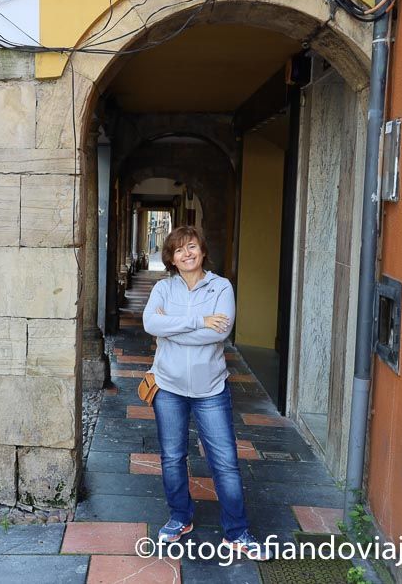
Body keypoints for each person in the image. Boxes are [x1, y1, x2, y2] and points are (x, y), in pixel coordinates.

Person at [142, 225, 269, 561]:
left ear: (202, 251)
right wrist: (199, 321)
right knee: (172, 457)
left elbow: (220, 332)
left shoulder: (220, 286)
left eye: (192, 246)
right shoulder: (163, 288)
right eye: (179, 249)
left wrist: (174, 328)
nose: (187, 253)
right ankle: (180, 517)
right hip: (168, 385)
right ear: (170, 257)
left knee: (225, 462)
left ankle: (237, 532)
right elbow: (151, 325)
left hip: (211, 388)